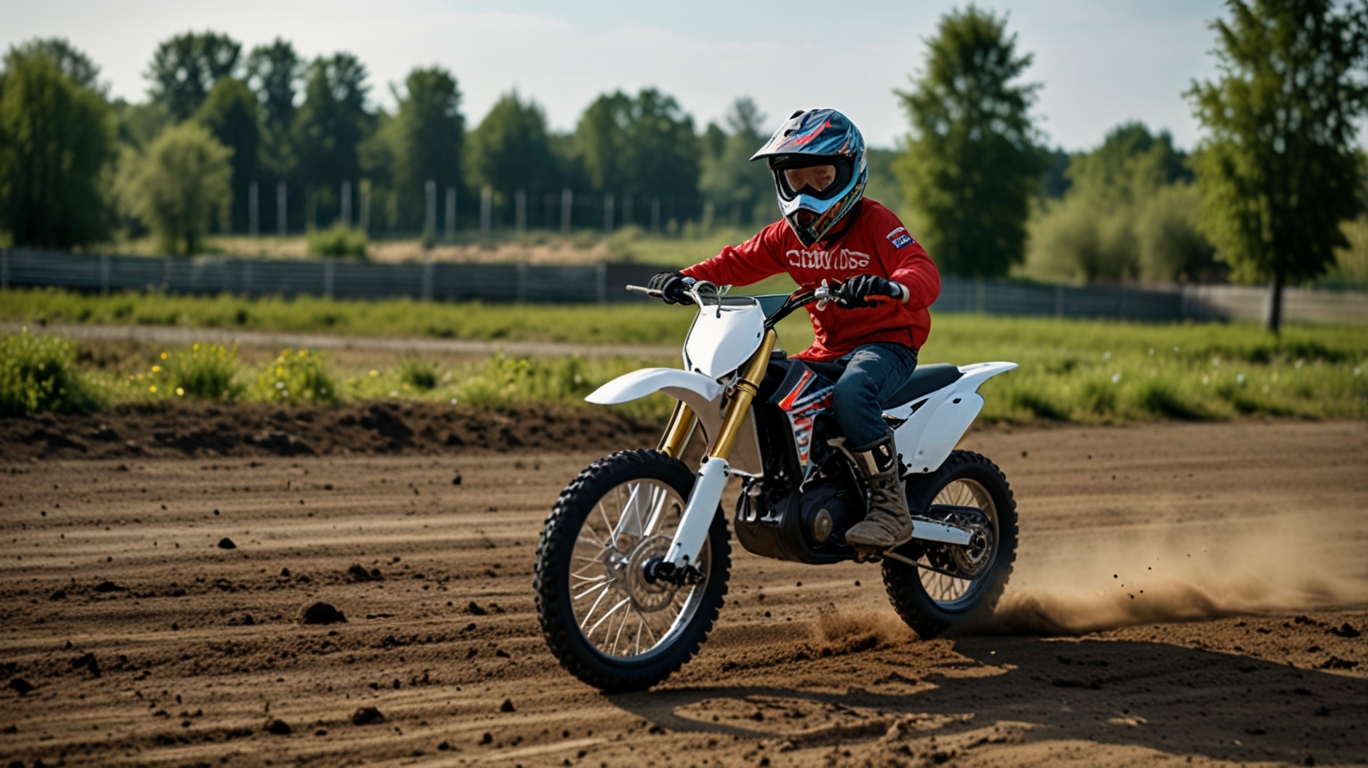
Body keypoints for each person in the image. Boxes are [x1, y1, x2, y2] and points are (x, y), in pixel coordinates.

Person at [647, 108, 941, 553]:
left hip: (887, 345)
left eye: (821, 178)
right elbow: (734, 262)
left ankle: (890, 508)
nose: (806, 193)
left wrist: (893, 286)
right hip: (829, 349)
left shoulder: (876, 222)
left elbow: (922, 270)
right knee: (768, 384)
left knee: (853, 392)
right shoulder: (786, 237)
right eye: (796, 179)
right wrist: (684, 278)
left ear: (849, 173)